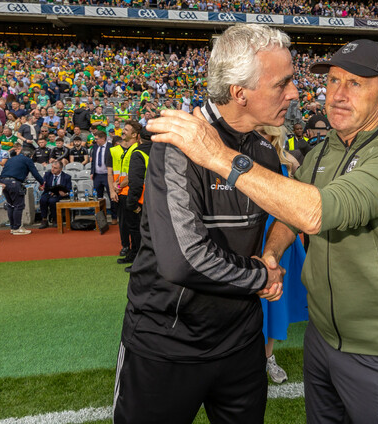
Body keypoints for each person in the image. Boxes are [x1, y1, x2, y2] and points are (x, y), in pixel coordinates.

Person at [148, 38, 378, 424]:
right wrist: (272, 254)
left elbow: (313, 212)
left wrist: (217, 154)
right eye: (333, 81)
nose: (338, 94)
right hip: (321, 336)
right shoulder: (324, 150)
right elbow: (290, 216)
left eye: (355, 83)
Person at [113, 24, 290, 424]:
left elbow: (288, 211)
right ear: (239, 92)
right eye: (282, 83)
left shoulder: (264, 151)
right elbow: (183, 261)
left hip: (242, 342)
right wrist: (261, 276)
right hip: (167, 344)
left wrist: (271, 253)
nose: (294, 93)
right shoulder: (176, 145)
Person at [257, 125, 306, 384]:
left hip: (279, 237)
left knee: (275, 299)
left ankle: (268, 357)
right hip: (249, 237)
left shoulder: (285, 162)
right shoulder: (236, 158)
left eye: (264, 132)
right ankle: (248, 357)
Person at [121, 128, 152, 269]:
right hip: (160, 199)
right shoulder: (162, 151)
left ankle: (140, 264)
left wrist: (132, 203)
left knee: (140, 232)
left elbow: (136, 182)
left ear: (139, 137)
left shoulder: (138, 153)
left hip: (143, 200)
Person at [0, 149, 44, 235]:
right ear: (29, 155)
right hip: (14, 182)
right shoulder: (27, 160)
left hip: (3, 182)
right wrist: (42, 183)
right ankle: (17, 227)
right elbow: (35, 173)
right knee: (18, 205)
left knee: (10, 205)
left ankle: (13, 227)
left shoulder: (11, 159)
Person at [115, 120, 141, 265]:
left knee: (134, 228)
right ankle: (133, 254)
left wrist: (118, 185)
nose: (123, 131)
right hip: (124, 193)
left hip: (130, 194)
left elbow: (132, 176)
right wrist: (117, 184)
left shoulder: (135, 150)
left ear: (134, 134)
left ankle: (136, 257)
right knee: (130, 227)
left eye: (126, 129)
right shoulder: (129, 150)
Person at [90, 131, 117, 224]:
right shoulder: (95, 147)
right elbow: (93, 161)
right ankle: (101, 219)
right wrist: (92, 172)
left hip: (108, 175)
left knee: (112, 197)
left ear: (103, 138)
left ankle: (114, 217)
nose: (95, 140)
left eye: (97, 139)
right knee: (98, 198)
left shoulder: (110, 147)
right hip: (97, 175)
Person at [38, 160, 72, 228]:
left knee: (52, 201)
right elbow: (42, 185)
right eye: (52, 167)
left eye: (55, 168)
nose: (52, 169)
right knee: (43, 200)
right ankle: (44, 219)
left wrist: (65, 193)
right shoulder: (47, 174)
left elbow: (69, 189)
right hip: (48, 193)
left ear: (60, 169)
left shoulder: (67, 177)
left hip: (59, 194)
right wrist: (41, 187)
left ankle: (55, 219)